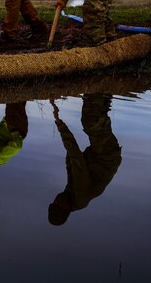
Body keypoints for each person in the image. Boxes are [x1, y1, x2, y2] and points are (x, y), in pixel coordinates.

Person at [47, 95, 122, 226]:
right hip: (107, 156)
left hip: (99, 156)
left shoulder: (72, 197)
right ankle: (98, 90)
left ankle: (104, 96)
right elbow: (76, 159)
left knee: (95, 122)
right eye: (59, 204)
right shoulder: (79, 194)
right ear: (67, 209)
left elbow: (71, 162)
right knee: (91, 122)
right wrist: (62, 128)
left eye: (54, 202)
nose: (57, 199)